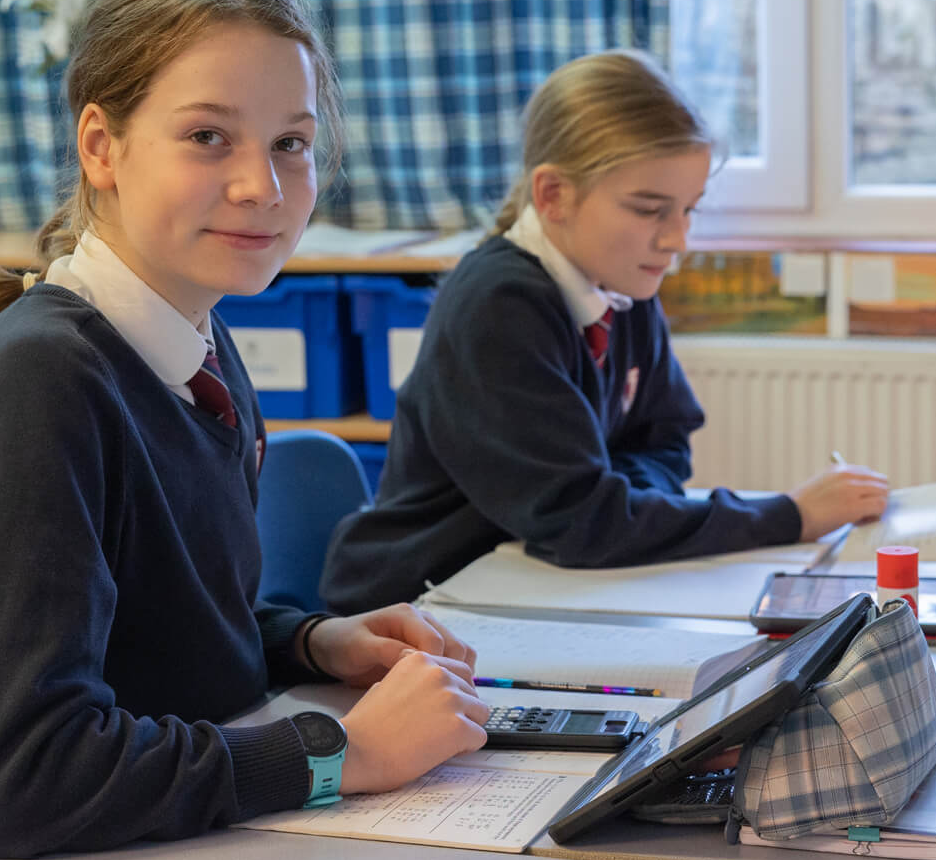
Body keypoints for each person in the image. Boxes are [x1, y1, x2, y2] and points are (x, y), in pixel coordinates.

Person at [0, 0, 489, 860]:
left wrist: (312, 643)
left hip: (177, 837)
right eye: (208, 136)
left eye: (289, 142)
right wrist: (341, 752)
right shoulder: (39, 384)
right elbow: (24, 780)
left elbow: (159, 626)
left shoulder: (195, 345)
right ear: (101, 146)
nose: (263, 186)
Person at [319, 50, 890, 615]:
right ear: (553, 195)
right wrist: (790, 515)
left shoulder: (621, 281)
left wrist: (619, 497)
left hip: (527, 584)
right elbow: (584, 524)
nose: (676, 240)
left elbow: (666, 435)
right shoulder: (499, 305)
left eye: (689, 209)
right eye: (649, 210)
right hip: (416, 607)